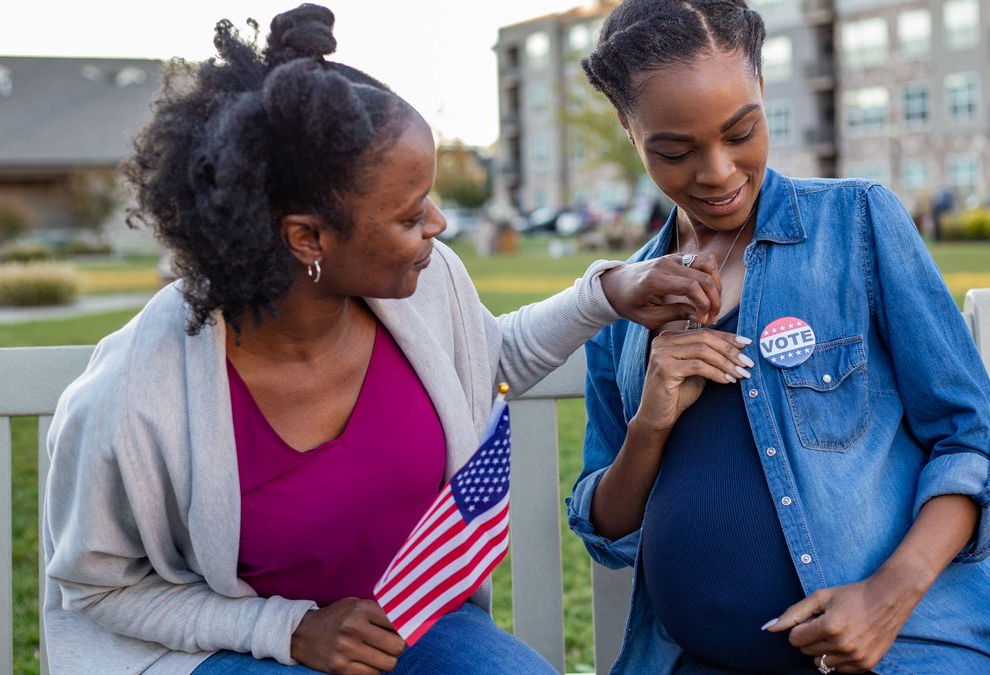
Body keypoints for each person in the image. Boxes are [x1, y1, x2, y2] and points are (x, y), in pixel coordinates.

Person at [41, 5, 725, 674]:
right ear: (306, 237)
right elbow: (98, 585)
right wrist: (289, 629)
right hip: (228, 642)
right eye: (408, 214)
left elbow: (488, 360)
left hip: (412, 622)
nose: (438, 224)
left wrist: (607, 293)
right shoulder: (135, 389)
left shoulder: (426, 288)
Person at [565, 1, 990, 674]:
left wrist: (887, 597)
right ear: (629, 130)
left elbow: (973, 443)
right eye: (676, 150)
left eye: (742, 131)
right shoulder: (626, 301)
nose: (716, 172)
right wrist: (650, 425)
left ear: (764, 95)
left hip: (902, 646)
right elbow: (609, 529)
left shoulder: (857, 224)